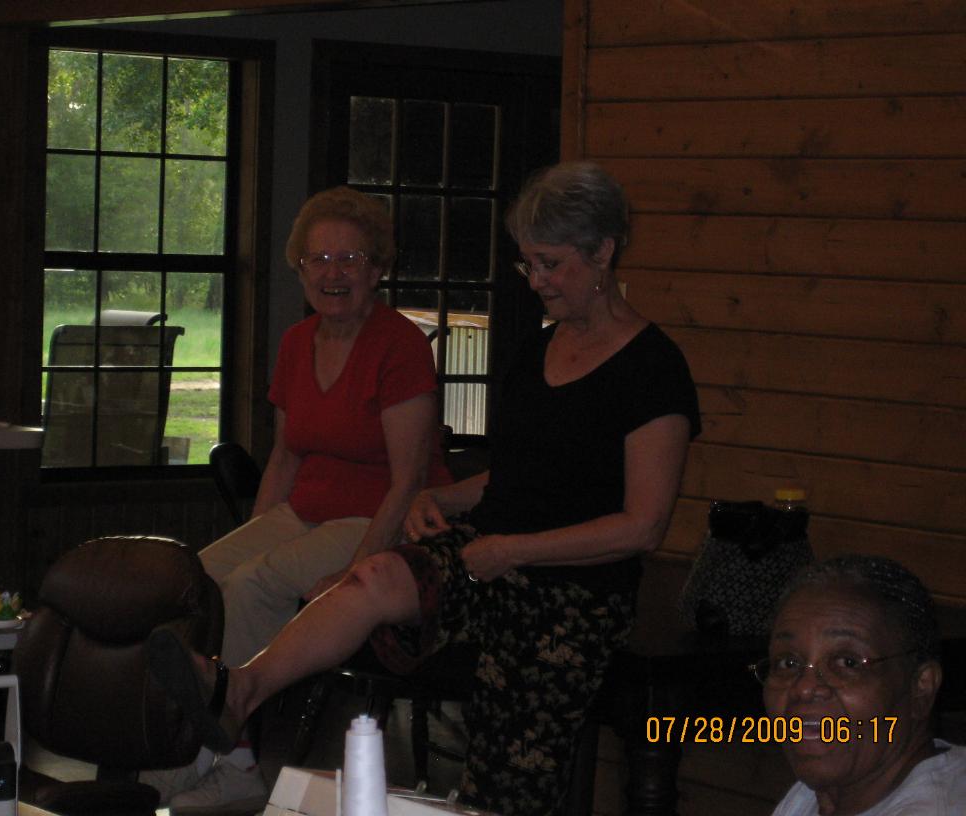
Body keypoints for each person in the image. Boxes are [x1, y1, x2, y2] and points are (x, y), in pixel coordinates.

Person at [149, 161, 701, 816]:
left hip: (575, 589)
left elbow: (643, 526)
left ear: (603, 251)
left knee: (506, 780)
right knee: (374, 578)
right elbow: (517, 476)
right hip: (489, 554)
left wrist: (515, 550)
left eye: (551, 264)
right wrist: (438, 498)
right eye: (528, 264)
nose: (537, 281)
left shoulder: (652, 368)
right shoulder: (538, 351)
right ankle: (241, 688)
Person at [156, 186, 451, 814]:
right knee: (194, 581)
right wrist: (260, 531)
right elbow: (286, 457)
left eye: (350, 259)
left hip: (379, 515)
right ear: (300, 269)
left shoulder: (399, 345)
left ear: (377, 269)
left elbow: (408, 481)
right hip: (308, 509)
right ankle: (237, 763)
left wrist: (353, 573)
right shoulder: (297, 342)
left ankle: (192, 760)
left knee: (255, 584)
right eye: (319, 259)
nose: (333, 273)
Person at [756, 555, 966, 815]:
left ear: (921, 687)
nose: (804, 688)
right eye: (788, 663)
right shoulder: (818, 793)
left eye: (848, 662)